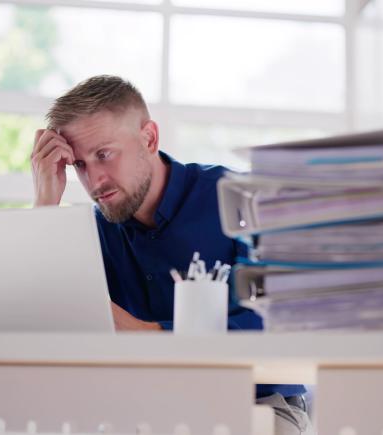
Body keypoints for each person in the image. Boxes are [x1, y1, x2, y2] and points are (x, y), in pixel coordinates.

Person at [31, 75, 313, 434]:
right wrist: (45, 203)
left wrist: (151, 334)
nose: (95, 180)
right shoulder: (91, 231)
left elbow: (281, 325)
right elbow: (42, 322)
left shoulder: (241, 200)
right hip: (147, 411)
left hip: (256, 405)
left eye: (104, 154)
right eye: (81, 165)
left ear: (149, 138)